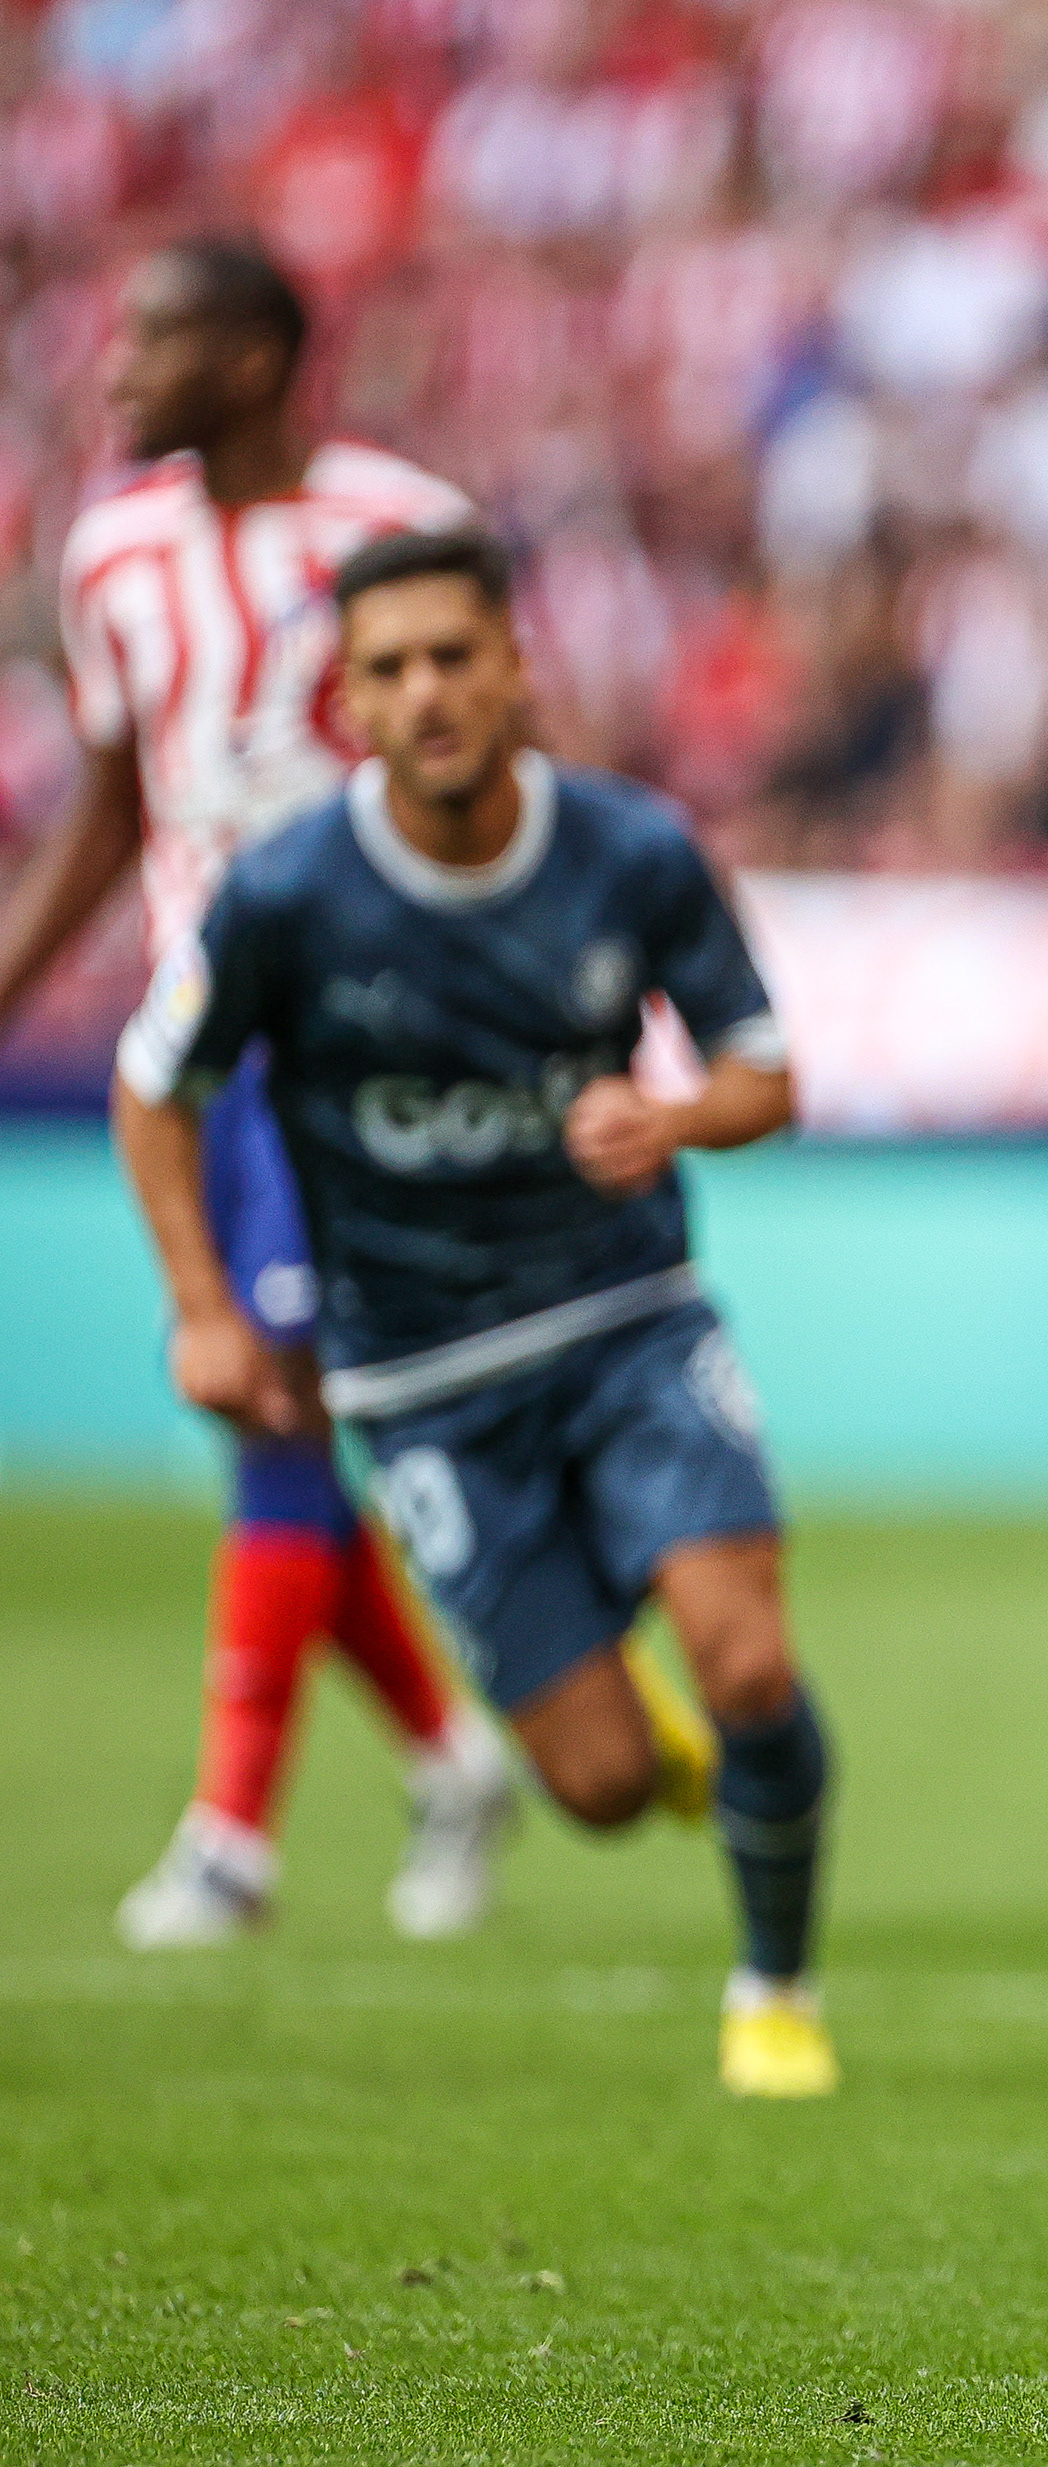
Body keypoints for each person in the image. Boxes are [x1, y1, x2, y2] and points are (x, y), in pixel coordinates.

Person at [0, 237, 692, 1948]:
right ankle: (453, 1756)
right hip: (211, 1042)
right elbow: (114, 803)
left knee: (292, 1399)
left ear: (252, 359)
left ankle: (234, 1837)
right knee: (285, 1404)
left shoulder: (393, 529)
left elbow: (513, 766)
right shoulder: (111, 557)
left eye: (157, 335)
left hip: (378, 1041)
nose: (117, 365)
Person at [106, 527, 841, 2099]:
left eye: (454, 653)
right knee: (595, 1782)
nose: (427, 690)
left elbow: (766, 1076)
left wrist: (674, 1120)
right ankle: (646, 1738)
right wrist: (202, 1307)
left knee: (752, 1664)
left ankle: (774, 1990)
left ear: (517, 667)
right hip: (423, 1379)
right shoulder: (285, 896)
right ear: (346, 705)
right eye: (387, 668)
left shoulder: (634, 853)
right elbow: (150, 1086)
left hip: (630, 1319)